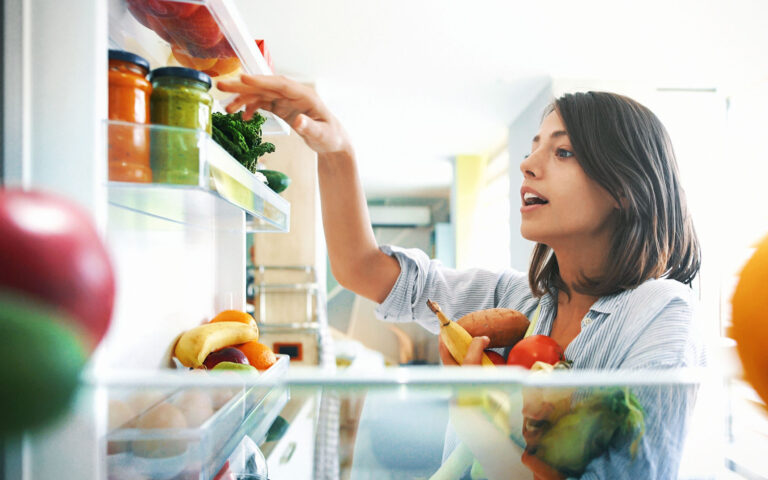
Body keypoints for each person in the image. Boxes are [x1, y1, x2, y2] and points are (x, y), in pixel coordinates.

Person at [218, 76, 705, 479]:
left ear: (625, 186)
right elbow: (361, 269)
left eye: (563, 153)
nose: (528, 164)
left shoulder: (662, 313)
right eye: (535, 147)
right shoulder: (521, 300)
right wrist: (335, 149)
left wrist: (474, 414)